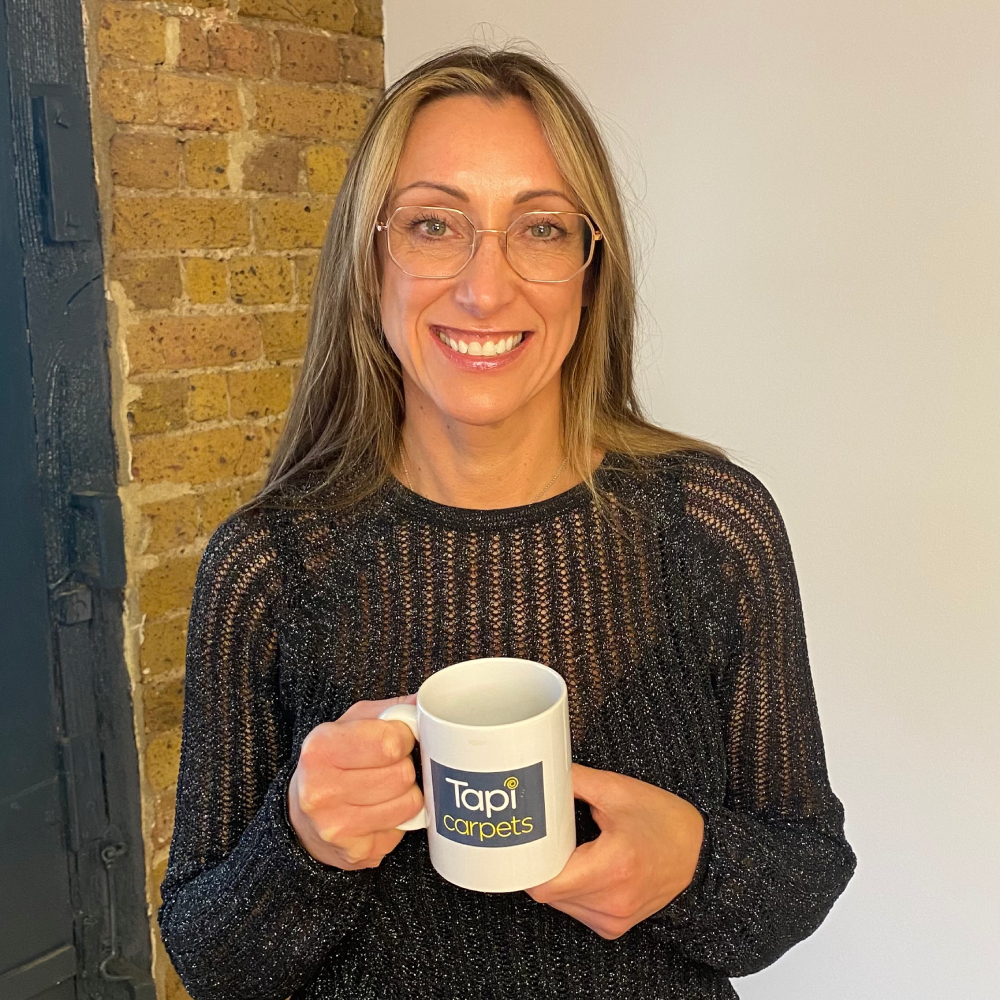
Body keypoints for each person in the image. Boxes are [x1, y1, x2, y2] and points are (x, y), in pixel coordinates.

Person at [158, 45, 856, 1000]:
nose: (486, 290)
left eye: (540, 229)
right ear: (371, 262)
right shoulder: (269, 563)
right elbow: (207, 959)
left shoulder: (712, 525)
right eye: (434, 225)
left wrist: (692, 863)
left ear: (589, 268)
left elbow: (808, 864)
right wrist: (304, 845)